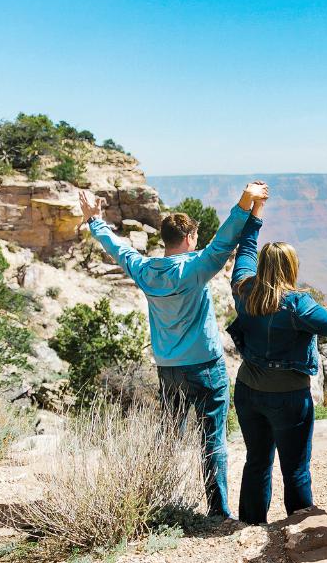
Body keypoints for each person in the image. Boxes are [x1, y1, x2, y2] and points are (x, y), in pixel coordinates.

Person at [79, 180, 267, 518]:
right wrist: (246, 201)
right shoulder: (195, 270)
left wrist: (95, 221)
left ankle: (155, 502)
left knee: (169, 436)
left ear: (164, 240)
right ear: (190, 238)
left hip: (168, 367)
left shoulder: (145, 271)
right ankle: (218, 510)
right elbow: (223, 242)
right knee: (212, 439)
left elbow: (119, 249)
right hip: (205, 366)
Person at [227, 197, 327, 524]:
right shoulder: (297, 304)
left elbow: (246, 248)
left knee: (257, 461)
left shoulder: (244, 289)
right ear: (292, 268)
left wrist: (256, 212)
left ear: (262, 267)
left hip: (248, 390)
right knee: (295, 468)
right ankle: (303, 531)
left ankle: (250, 524)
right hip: (289, 398)